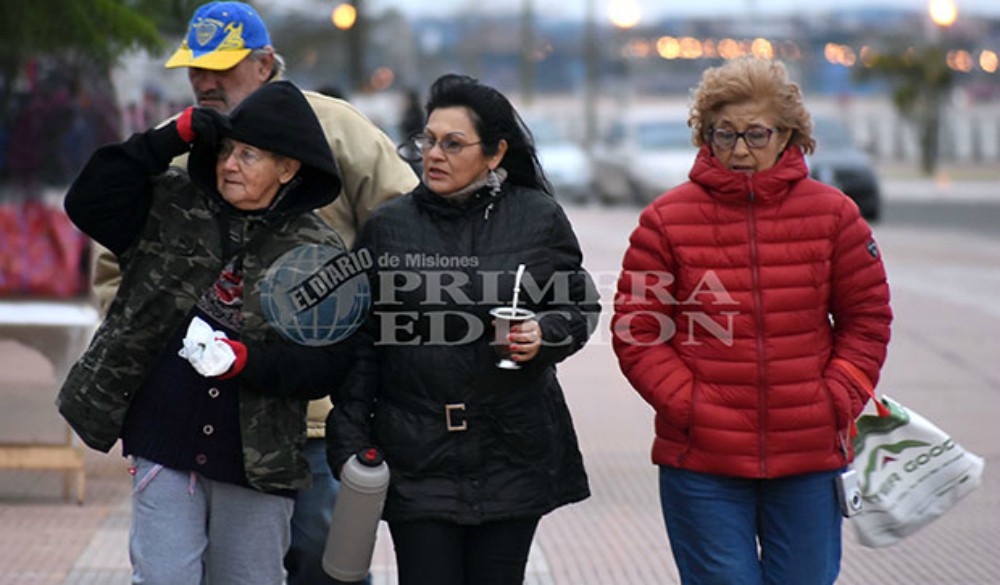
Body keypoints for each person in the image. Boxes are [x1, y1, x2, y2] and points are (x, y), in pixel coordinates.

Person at [90, 3, 418, 583]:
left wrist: (352, 333)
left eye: (223, 66)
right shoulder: (184, 140)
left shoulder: (335, 127)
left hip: (310, 413)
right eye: (195, 69)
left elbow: (407, 230)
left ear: (266, 63)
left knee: (323, 561)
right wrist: (149, 350)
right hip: (190, 406)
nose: (206, 82)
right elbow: (116, 260)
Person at [58, 80, 364, 584]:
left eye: (249, 155)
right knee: (163, 577)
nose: (229, 165)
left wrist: (246, 361)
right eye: (225, 150)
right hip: (164, 435)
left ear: (289, 168)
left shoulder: (317, 250)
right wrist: (168, 138)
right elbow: (88, 201)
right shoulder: (173, 204)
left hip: (257, 456)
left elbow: (326, 364)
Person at [611, 57, 892, 585]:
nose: (739, 150)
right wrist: (690, 405)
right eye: (724, 134)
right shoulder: (665, 220)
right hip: (702, 459)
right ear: (705, 135)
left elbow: (867, 320)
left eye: (756, 134)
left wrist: (836, 396)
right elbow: (638, 330)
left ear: (788, 134)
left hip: (808, 455)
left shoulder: (835, 215)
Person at [327, 73, 600, 585]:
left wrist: (546, 335)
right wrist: (349, 440)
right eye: (428, 141)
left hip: (511, 448)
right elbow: (361, 341)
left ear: (495, 153)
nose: (434, 155)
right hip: (415, 451)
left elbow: (578, 302)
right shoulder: (389, 228)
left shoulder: (537, 217)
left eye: (453, 144)